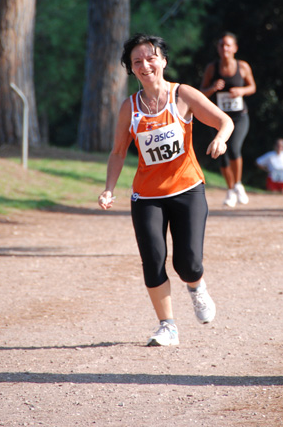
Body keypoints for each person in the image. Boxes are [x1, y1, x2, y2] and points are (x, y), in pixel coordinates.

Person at [98, 33, 234, 348]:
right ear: (131, 70)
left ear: (163, 61)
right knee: (153, 258)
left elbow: (224, 121)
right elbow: (118, 152)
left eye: (150, 58)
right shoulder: (129, 108)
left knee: (188, 263)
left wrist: (220, 138)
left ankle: (197, 287)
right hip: (146, 196)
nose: (145, 65)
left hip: (187, 188)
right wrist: (108, 189)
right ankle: (167, 325)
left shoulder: (182, 95)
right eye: (137, 61)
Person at [200, 32, 256, 207]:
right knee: (221, 153)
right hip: (218, 118)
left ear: (235, 48)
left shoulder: (243, 67)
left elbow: (252, 87)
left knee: (233, 147)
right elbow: (201, 94)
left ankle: (238, 184)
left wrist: (242, 91)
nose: (225, 48)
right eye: (222, 45)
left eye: (228, 45)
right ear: (218, 48)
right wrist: (212, 88)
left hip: (239, 117)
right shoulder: (212, 68)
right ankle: (231, 190)